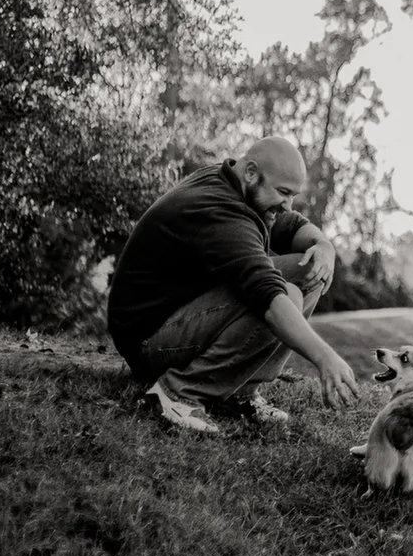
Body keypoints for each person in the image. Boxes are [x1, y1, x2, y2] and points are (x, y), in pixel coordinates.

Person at [104, 134, 357, 432]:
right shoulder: (219, 209)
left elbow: (290, 226)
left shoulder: (238, 185)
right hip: (148, 340)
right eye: (283, 192)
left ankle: (239, 392)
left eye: (292, 195)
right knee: (282, 296)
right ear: (251, 173)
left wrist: (324, 246)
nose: (288, 205)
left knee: (307, 268)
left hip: (181, 315)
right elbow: (266, 294)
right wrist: (325, 358)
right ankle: (177, 393)